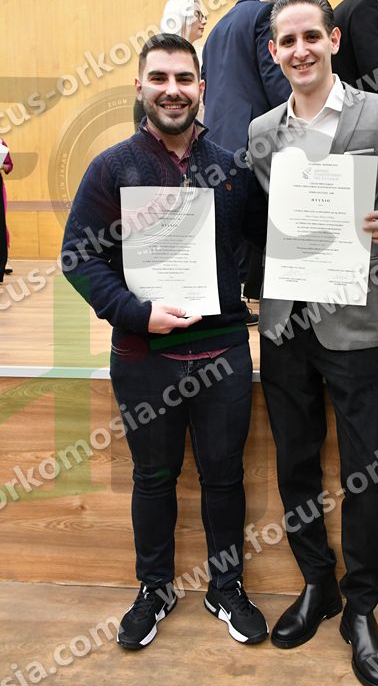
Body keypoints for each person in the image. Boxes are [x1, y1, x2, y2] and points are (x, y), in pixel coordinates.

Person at [248, 0, 378, 686]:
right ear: (275, 52)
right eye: (287, 40)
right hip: (284, 324)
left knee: (362, 471)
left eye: (311, 36)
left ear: (332, 40)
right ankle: (317, 583)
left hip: (355, 320)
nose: (300, 50)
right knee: (296, 462)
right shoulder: (262, 131)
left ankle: (361, 606)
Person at [61, 34, 268, 651]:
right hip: (143, 356)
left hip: (223, 353)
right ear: (141, 87)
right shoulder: (112, 167)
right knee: (152, 478)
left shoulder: (233, 168)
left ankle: (225, 587)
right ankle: (154, 589)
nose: (172, 90)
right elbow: (77, 256)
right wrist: (134, 312)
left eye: (183, 79)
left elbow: (269, 239)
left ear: (201, 88)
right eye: (159, 78)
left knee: (224, 477)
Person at [202, 0, 292, 305]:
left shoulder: (216, 29)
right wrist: (298, 116)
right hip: (254, 139)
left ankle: (234, 299)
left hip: (215, 139)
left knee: (229, 226)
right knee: (258, 223)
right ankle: (247, 298)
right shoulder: (264, 15)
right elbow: (274, 79)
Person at [133, 0, 207, 127]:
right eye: (197, 14)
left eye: (185, 79)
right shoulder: (154, 56)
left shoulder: (203, 56)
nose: (204, 21)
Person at [0, 139, 13, 283]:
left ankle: (4, 260)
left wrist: (1, 165)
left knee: (1, 223)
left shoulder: (1, 143)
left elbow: (9, 166)